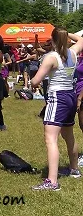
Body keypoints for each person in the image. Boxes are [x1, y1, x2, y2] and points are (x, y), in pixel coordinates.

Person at [30, 28, 83, 191]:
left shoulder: (51, 57)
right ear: (66, 39)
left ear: (52, 40)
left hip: (57, 98)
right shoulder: (73, 54)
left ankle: (52, 181)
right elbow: (82, 41)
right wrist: (67, 35)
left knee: (50, 139)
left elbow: (35, 81)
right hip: (70, 97)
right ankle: (74, 169)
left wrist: (32, 81)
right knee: (68, 135)